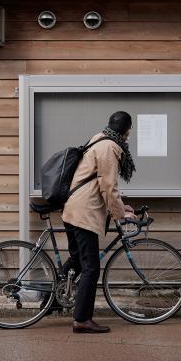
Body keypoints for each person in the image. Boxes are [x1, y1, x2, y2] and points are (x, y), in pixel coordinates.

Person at [59, 111, 137, 333]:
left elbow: (101, 184)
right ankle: (82, 319)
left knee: (77, 258)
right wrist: (121, 215)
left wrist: (123, 206)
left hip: (74, 208)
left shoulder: (100, 139)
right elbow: (108, 185)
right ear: (127, 130)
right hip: (84, 213)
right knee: (91, 267)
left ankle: (53, 296)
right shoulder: (109, 147)